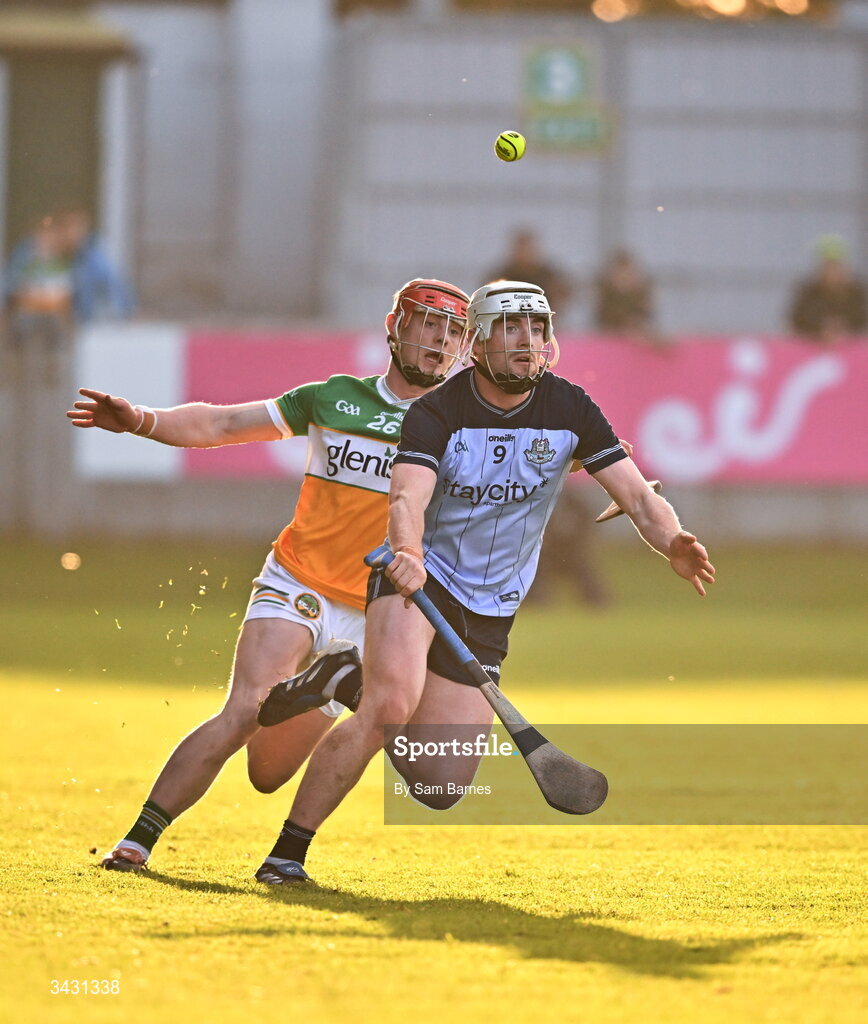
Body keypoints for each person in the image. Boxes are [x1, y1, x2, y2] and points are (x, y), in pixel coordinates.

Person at [254, 280, 715, 882]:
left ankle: (344, 675)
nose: (527, 342)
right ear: (480, 341)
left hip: (492, 605)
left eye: (537, 329)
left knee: (440, 785)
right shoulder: (438, 411)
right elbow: (406, 498)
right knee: (389, 705)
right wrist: (409, 552)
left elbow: (636, 494)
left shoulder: (571, 408)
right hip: (420, 581)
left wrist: (672, 542)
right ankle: (287, 855)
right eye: (511, 328)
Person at [66, 277, 470, 876]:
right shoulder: (333, 398)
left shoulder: (462, 427)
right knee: (246, 708)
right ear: (395, 328)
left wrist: (611, 467)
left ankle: (332, 687)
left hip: (381, 610)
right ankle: (136, 841)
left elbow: (534, 471)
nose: (440, 341)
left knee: (269, 773)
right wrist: (141, 420)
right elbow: (222, 426)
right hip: (299, 579)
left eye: (454, 333)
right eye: (428, 323)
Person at [2, 215, 74, 350]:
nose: (46, 240)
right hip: (29, 311)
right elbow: (16, 285)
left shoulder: (62, 264)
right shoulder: (25, 261)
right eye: (42, 236)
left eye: (50, 236)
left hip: (54, 313)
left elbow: (67, 290)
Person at [56, 207, 136, 323]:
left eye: (71, 229)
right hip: (90, 319)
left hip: (105, 319)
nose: (67, 235)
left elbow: (114, 281)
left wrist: (128, 310)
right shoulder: (78, 256)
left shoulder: (96, 252)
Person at [787, 236, 866, 344]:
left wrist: (844, 328)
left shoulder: (857, 292)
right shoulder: (808, 292)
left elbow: (862, 318)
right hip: (813, 347)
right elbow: (797, 319)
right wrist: (820, 328)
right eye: (828, 266)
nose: (833, 272)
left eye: (836, 266)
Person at [485, 228, 572, 317]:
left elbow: (564, 295)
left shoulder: (549, 275)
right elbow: (487, 297)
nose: (524, 253)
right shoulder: (502, 275)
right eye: (521, 248)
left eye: (527, 248)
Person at [593, 248, 662, 346]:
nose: (624, 278)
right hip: (611, 340)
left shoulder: (641, 295)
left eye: (628, 273)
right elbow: (605, 322)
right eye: (620, 274)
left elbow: (645, 318)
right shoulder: (605, 297)